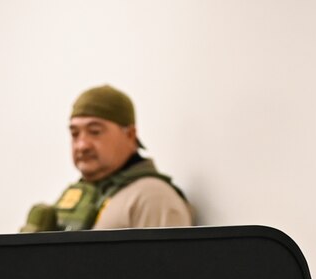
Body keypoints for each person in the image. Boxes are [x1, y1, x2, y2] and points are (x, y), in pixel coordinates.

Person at [21, 85, 193, 233]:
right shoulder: (81, 196)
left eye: (95, 132)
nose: (82, 145)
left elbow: (164, 269)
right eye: (75, 134)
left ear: (131, 135)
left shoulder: (151, 197)